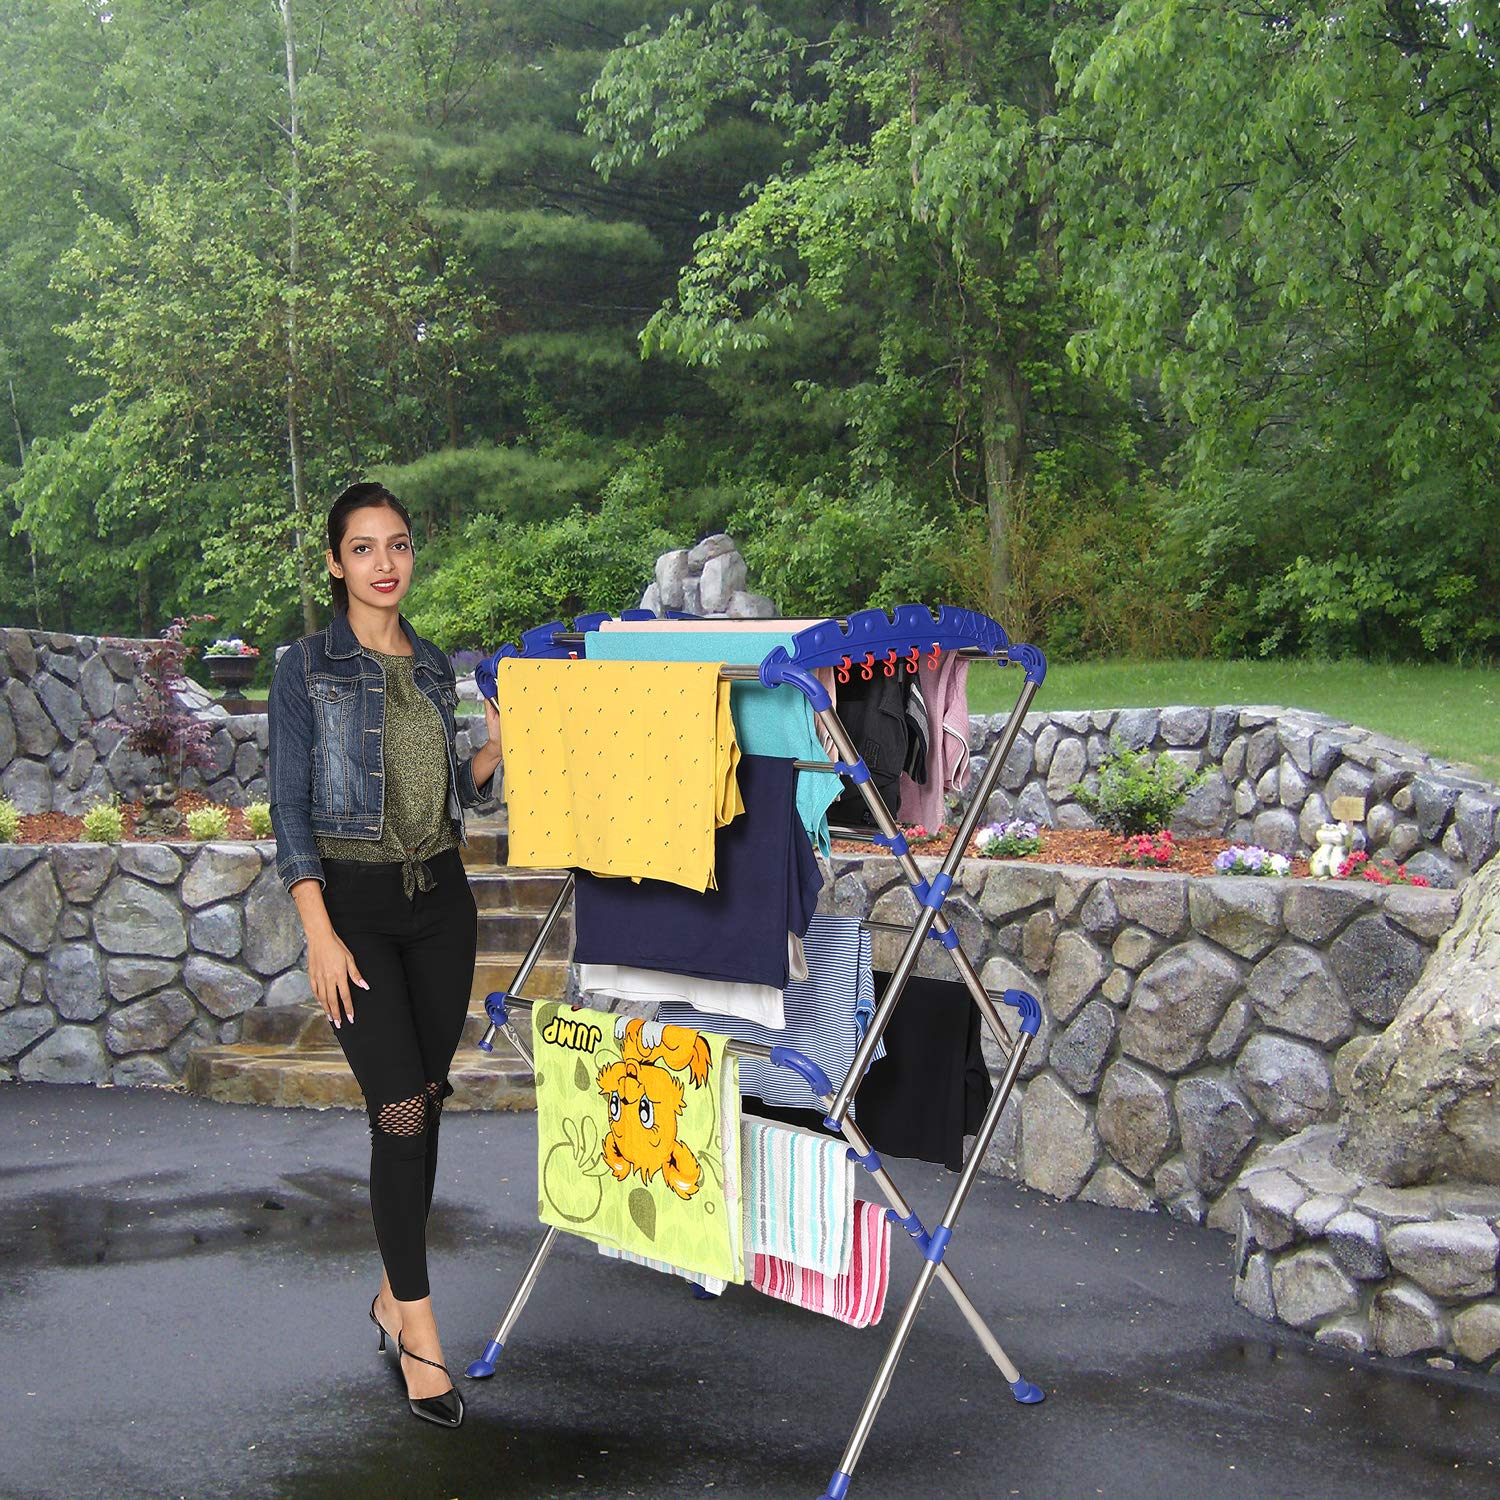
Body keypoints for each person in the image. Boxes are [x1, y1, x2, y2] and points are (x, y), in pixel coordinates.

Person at [268, 481, 502, 1429]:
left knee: (425, 1103)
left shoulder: (437, 665)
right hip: (354, 914)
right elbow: (289, 808)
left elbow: (458, 795)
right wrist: (318, 930)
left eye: (397, 544)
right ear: (336, 563)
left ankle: (390, 1294)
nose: (384, 563)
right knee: (398, 1108)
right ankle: (421, 1333)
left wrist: (494, 749)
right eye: (363, 548)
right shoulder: (304, 667)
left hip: (442, 905)